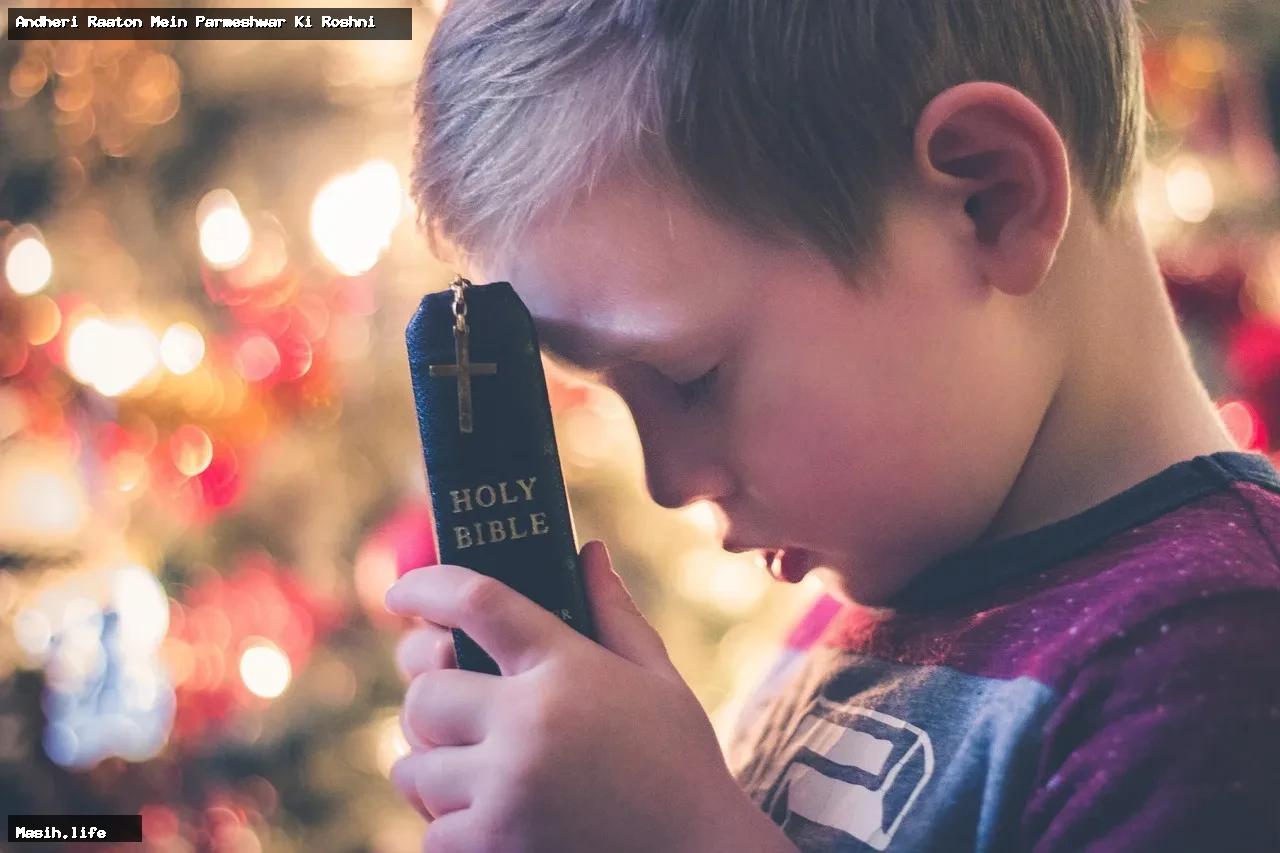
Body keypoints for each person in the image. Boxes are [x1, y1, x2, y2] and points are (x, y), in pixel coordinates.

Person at [384, 1, 1280, 850]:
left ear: (989, 201)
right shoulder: (860, 611)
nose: (666, 481)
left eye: (693, 379)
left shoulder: (1221, 661)